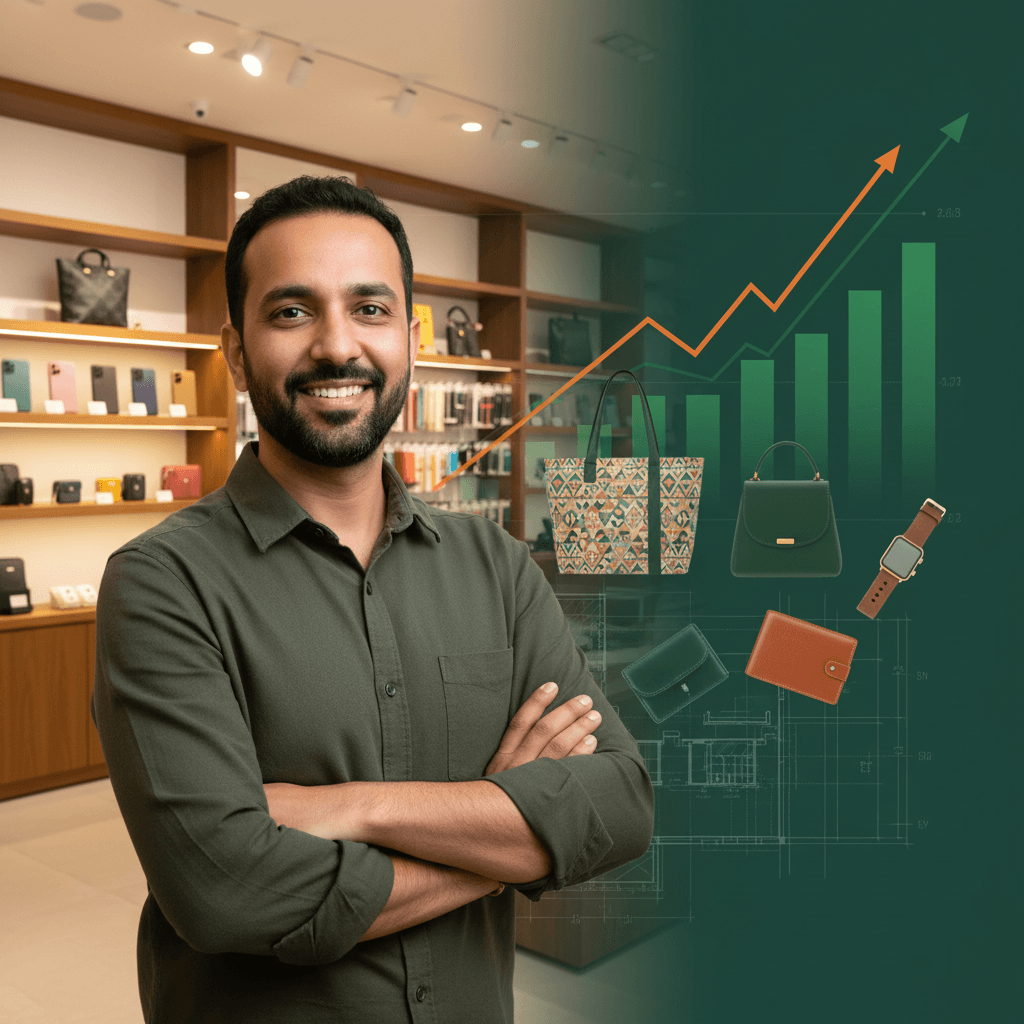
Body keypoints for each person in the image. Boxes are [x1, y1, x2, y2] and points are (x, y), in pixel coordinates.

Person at [92, 175, 654, 1024]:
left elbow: (619, 804)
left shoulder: (494, 565)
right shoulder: (163, 583)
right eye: (290, 312)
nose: (335, 346)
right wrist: (501, 825)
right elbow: (227, 891)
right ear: (236, 352)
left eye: (370, 308)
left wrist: (347, 807)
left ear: (411, 341)